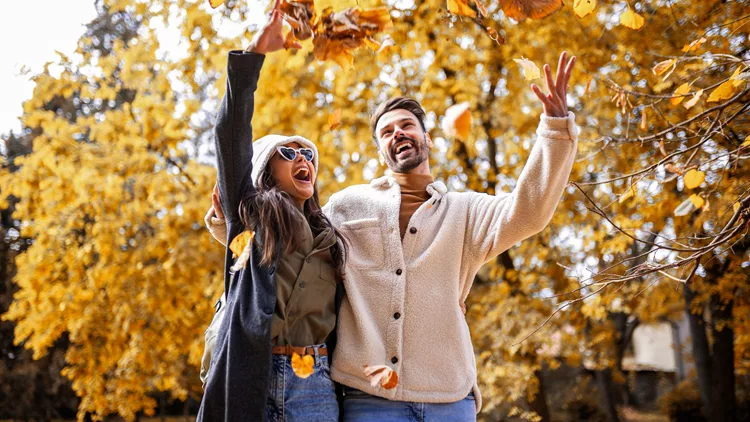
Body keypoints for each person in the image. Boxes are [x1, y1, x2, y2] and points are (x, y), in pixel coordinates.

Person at [205, 25, 578, 422]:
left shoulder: (466, 211)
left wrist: (554, 130)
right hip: (366, 398)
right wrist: (228, 224)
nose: (397, 133)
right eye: (386, 131)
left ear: (427, 137)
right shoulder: (347, 205)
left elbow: (529, 210)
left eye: (406, 125)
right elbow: (290, 246)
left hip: (449, 398)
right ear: (380, 150)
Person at [196, 3, 347, 421]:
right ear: (266, 169)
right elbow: (230, 131)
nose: (303, 159)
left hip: (315, 385)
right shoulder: (252, 215)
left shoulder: (332, 236)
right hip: (250, 379)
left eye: (309, 154)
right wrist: (253, 54)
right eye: (289, 152)